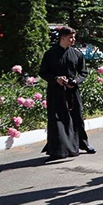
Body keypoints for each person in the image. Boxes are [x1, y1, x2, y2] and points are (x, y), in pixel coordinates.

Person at [39, 26, 94, 161]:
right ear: (62, 38)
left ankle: (84, 144)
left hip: (72, 91)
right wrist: (55, 79)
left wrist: (75, 81)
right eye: (71, 37)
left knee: (78, 117)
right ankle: (57, 150)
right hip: (55, 92)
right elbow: (43, 72)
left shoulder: (77, 54)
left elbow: (83, 72)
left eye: (74, 37)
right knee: (57, 120)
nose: (73, 39)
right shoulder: (50, 54)